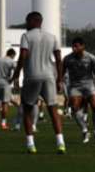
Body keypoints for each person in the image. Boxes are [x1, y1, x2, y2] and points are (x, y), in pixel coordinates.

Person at [11, 11, 66, 155]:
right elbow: (59, 59)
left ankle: (31, 145)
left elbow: (23, 56)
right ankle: (61, 143)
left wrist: (17, 74)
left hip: (32, 76)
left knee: (27, 110)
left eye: (26, 22)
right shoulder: (52, 37)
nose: (25, 25)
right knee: (53, 110)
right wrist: (60, 78)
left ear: (31, 22)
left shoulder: (26, 36)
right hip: (49, 76)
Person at [62, 37, 95, 145]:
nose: (74, 48)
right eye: (73, 46)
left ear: (82, 46)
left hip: (89, 85)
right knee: (75, 108)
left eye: (76, 46)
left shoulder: (91, 58)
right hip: (75, 86)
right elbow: (61, 72)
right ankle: (85, 130)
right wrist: (58, 82)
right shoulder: (67, 59)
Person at [0, 48, 16, 131]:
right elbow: (16, 72)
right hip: (5, 84)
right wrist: (13, 80)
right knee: (5, 103)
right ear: (12, 55)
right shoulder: (11, 61)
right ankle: (3, 124)